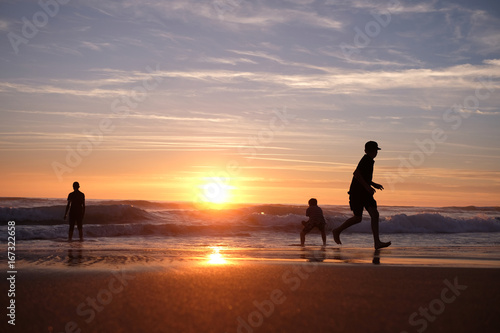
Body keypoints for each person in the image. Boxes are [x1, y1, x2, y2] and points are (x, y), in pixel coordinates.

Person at [332, 141, 391, 250]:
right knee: (358, 218)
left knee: (375, 214)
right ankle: (337, 230)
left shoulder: (369, 160)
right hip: (357, 192)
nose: (375, 153)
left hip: (365, 193)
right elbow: (356, 174)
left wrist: (373, 184)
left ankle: (377, 242)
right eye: (374, 151)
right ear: (370, 151)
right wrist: (368, 187)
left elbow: (364, 177)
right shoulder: (366, 160)